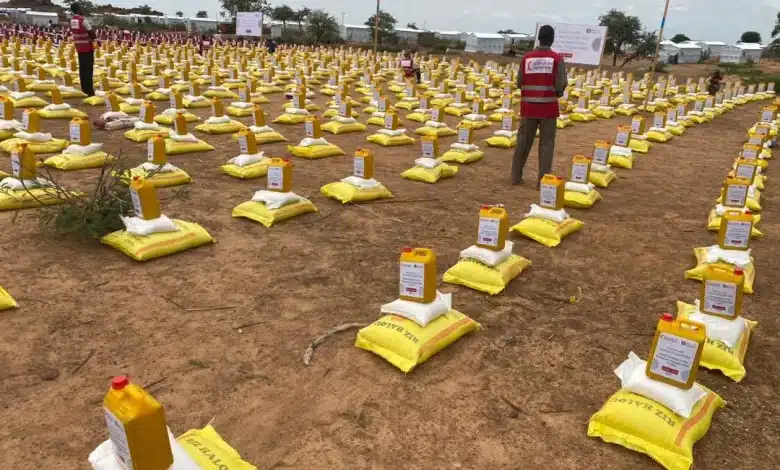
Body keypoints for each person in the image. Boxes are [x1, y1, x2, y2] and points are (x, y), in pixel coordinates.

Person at [512, 24, 567, 186]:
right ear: (552, 40)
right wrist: (557, 93)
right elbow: (560, 84)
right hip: (548, 109)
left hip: (528, 108)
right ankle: (542, 181)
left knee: (523, 142)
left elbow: (519, 82)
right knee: (546, 145)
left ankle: (516, 177)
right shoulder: (557, 59)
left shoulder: (527, 58)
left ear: (539, 39)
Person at [69, 2, 95, 96]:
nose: (82, 9)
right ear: (79, 9)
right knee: (88, 70)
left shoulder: (72, 20)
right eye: (81, 7)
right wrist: (93, 37)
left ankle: (84, 88)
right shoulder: (83, 20)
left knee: (82, 69)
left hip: (79, 47)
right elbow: (92, 33)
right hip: (87, 48)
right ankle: (90, 91)